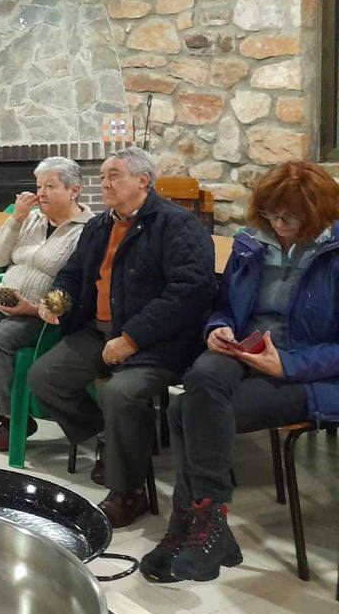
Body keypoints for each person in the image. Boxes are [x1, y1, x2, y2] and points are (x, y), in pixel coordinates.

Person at [139, 161, 339, 583]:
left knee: (183, 413)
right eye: (270, 215)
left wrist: (287, 363)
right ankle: (210, 519)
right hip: (246, 351)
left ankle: (188, 527)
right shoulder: (252, 243)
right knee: (202, 379)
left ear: (319, 213)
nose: (278, 225)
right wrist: (218, 329)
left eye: (289, 217)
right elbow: (225, 305)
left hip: (311, 372)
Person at [27, 147, 216, 528]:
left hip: (157, 344)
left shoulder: (176, 225)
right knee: (43, 378)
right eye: (103, 177)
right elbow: (72, 271)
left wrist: (131, 338)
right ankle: (108, 442)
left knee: (120, 393)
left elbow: (189, 292)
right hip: (98, 333)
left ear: (143, 181)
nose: (105, 184)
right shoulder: (99, 226)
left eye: (114, 176)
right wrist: (58, 299)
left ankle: (128, 491)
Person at [0, 157, 93, 449]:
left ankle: (13, 419)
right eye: (39, 186)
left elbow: (78, 285)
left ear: (74, 190)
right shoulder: (32, 219)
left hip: (41, 312)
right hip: (2, 297)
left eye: (51, 186)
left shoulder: (86, 229)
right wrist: (16, 220)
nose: (42, 193)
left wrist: (33, 308)